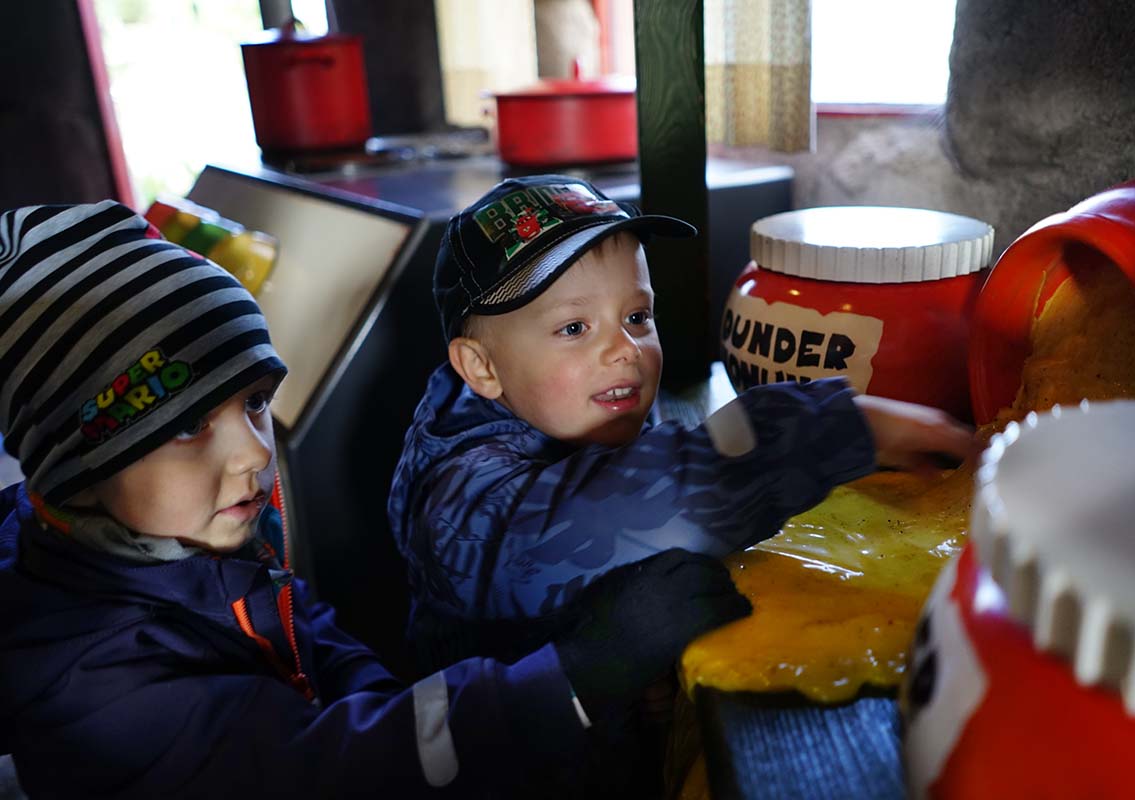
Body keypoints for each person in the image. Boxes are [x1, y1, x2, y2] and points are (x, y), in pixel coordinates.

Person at [0, 201, 751, 799]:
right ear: (79, 464)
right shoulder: (93, 681)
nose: (256, 453)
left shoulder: (179, 552)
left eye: (256, 402)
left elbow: (317, 645)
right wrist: (578, 677)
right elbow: (331, 770)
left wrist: (416, 707)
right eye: (190, 426)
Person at [388, 174, 978, 671]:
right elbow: (619, 510)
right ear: (482, 368)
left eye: (637, 315)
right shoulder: (459, 505)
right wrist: (836, 428)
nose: (624, 349)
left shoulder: (578, 414)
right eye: (574, 329)